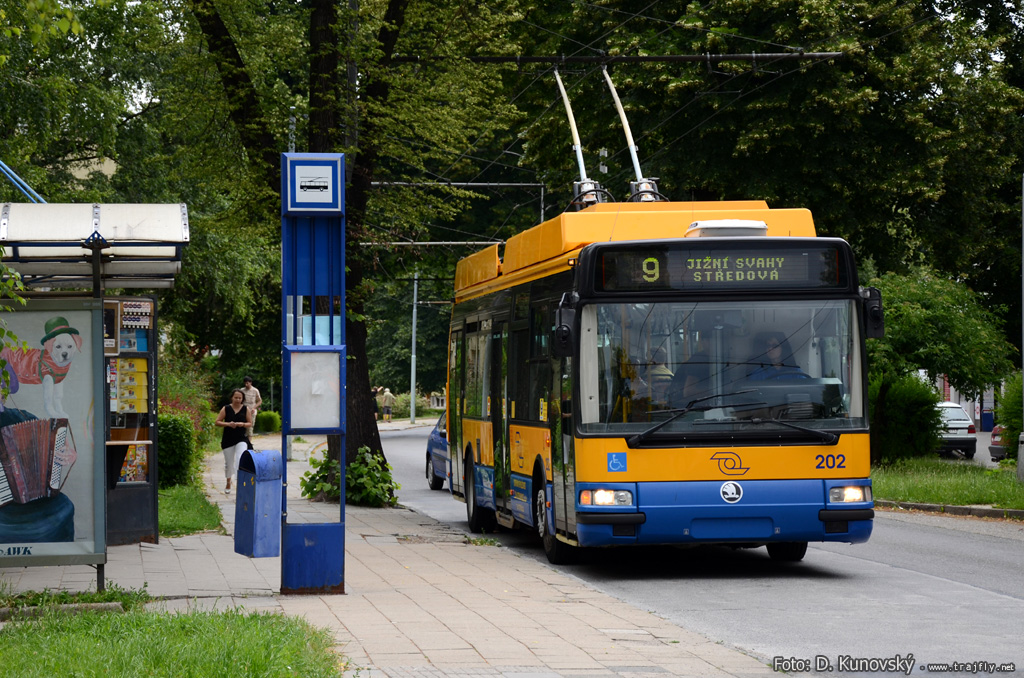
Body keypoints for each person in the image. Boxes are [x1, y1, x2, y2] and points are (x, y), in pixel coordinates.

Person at [216, 389, 253, 494]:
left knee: (240, 459)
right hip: (228, 439)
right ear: (232, 398)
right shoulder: (226, 408)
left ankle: (240, 483)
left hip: (241, 438)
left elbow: (250, 423)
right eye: (236, 397)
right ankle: (228, 481)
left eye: (240, 398)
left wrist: (242, 424)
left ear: (242, 399)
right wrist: (228, 424)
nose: (237, 400)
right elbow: (217, 422)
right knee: (229, 463)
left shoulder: (246, 409)